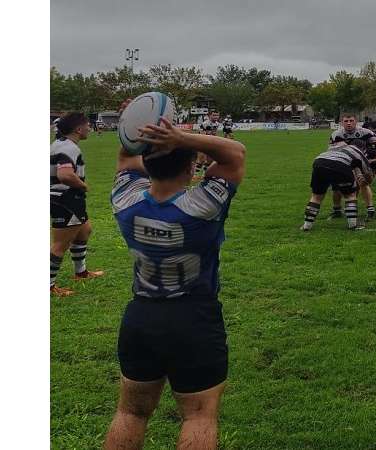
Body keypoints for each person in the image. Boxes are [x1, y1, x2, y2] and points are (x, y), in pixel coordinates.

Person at [103, 109, 246, 449]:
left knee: (131, 412)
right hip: (193, 318)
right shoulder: (204, 204)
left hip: (140, 316)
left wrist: (135, 122)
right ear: (191, 166)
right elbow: (235, 153)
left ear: (147, 164)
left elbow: (126, 155)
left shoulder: (125, 200)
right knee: (198, 415)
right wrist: (182, 137)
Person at [50, 112, 105, 296]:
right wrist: (83, 185)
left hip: (67, 199)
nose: (90, 127)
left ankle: (81, 273)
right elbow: (64, 175)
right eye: (88, 125)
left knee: (84, 230)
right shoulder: (70, 148)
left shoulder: (61, 144)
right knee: (60, 245)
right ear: (78, 129)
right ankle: (49, 286)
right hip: (66, 199)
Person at [302, 138, 374, 231]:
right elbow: (368, 173)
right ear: (363, 148)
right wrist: (367, 181)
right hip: (340, 164)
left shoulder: (338, 147)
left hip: (319, 162)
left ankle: (307, 226)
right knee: (350, 195)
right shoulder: (359, 152)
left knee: (316, 196)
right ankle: (353, 225)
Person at [328, 114, 376, 219]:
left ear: (356, 121)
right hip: (344, 162)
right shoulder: (336, 134)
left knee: (363, 183)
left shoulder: (365, 132)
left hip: (361, 163)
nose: (349, 123)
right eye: (346, 121)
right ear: (342, 123)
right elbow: (331, 151)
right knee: (336, 187)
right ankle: (337, 210)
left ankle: (370, 209)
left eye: (351, 120)